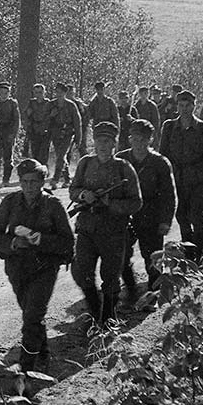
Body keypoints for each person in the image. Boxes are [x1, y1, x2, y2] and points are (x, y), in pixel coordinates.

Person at [0, 158, 74, 369]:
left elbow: (68, 241)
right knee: (30, 314)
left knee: (33, 315)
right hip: (17, 266)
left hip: (44, 268)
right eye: (24, 182)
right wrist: (13, 242)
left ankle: (26, 368)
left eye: (34, 182)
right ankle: (42, 352)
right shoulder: (10, 201)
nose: (29, 187)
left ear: (42, 182)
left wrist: (39, 239)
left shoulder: (53, 205)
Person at [69, 122, 142, 331]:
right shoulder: (85, 163)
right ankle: (94, 313)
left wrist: (110, 202)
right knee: (82, 271)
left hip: (113, 231)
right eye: (99, 140)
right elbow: (73, 189)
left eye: (108, 141)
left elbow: (136, 202)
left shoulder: (124, 168)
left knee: (110, 276)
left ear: (114, 143)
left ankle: (109, 318)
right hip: (86, 228)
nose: (103, 145)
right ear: (94, 142)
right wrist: (84, 195)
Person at [158, 91, 203, 264]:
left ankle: (198, 256)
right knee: (183, 219)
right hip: (177, 180)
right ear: (177, 106)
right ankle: (189, 256)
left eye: (188, 106)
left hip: (198, 180)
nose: (184, 109)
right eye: (181, 105)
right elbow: (162, 156)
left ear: (194, 106)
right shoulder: (169, 127)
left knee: (198, 219)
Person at [118, 119, 175, 303]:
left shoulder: (160, 163)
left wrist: (165, 221)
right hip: (126, 214)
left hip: (151, 215)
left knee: (153, 256)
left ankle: (153, 293)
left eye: (143, 139)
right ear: (129, 139)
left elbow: (168, 195)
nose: (139, 143)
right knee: (121, 254)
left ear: (150, 140)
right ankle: (131, 288)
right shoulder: (121, 160)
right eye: (135, 139)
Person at [47, 83, 82, 187]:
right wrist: (51, 115)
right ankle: (67, 179)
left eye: (60, 92)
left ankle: (55, 179)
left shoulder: (71, 105)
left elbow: (77, 122)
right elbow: (44, 119)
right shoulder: (51, 104)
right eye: (57, 92)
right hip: (56, 133)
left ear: (65, 93)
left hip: (68, 133)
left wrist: (78, 138)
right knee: (60, 156)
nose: (58, 94)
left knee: (61, 155)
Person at [0, 82, 20, 186]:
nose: (4, 94)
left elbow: (16, 120)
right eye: (2, 92)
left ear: (9, 93)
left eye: (6, 92)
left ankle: (6, 179)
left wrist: (14, 134)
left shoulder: (12, 103)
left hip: (9, 132)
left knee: (8, 158)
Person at [23, 83, 53, 169]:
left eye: (40, 92)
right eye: (36, 92)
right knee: (35, 153)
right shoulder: (31, 103)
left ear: (44, 93)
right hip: (34, 131)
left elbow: (52, 116)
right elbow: (25, 115)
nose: (38, 95)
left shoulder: (48, 103)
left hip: (45, 131)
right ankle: (37, 171)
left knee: (43, 153)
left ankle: (44, 170)